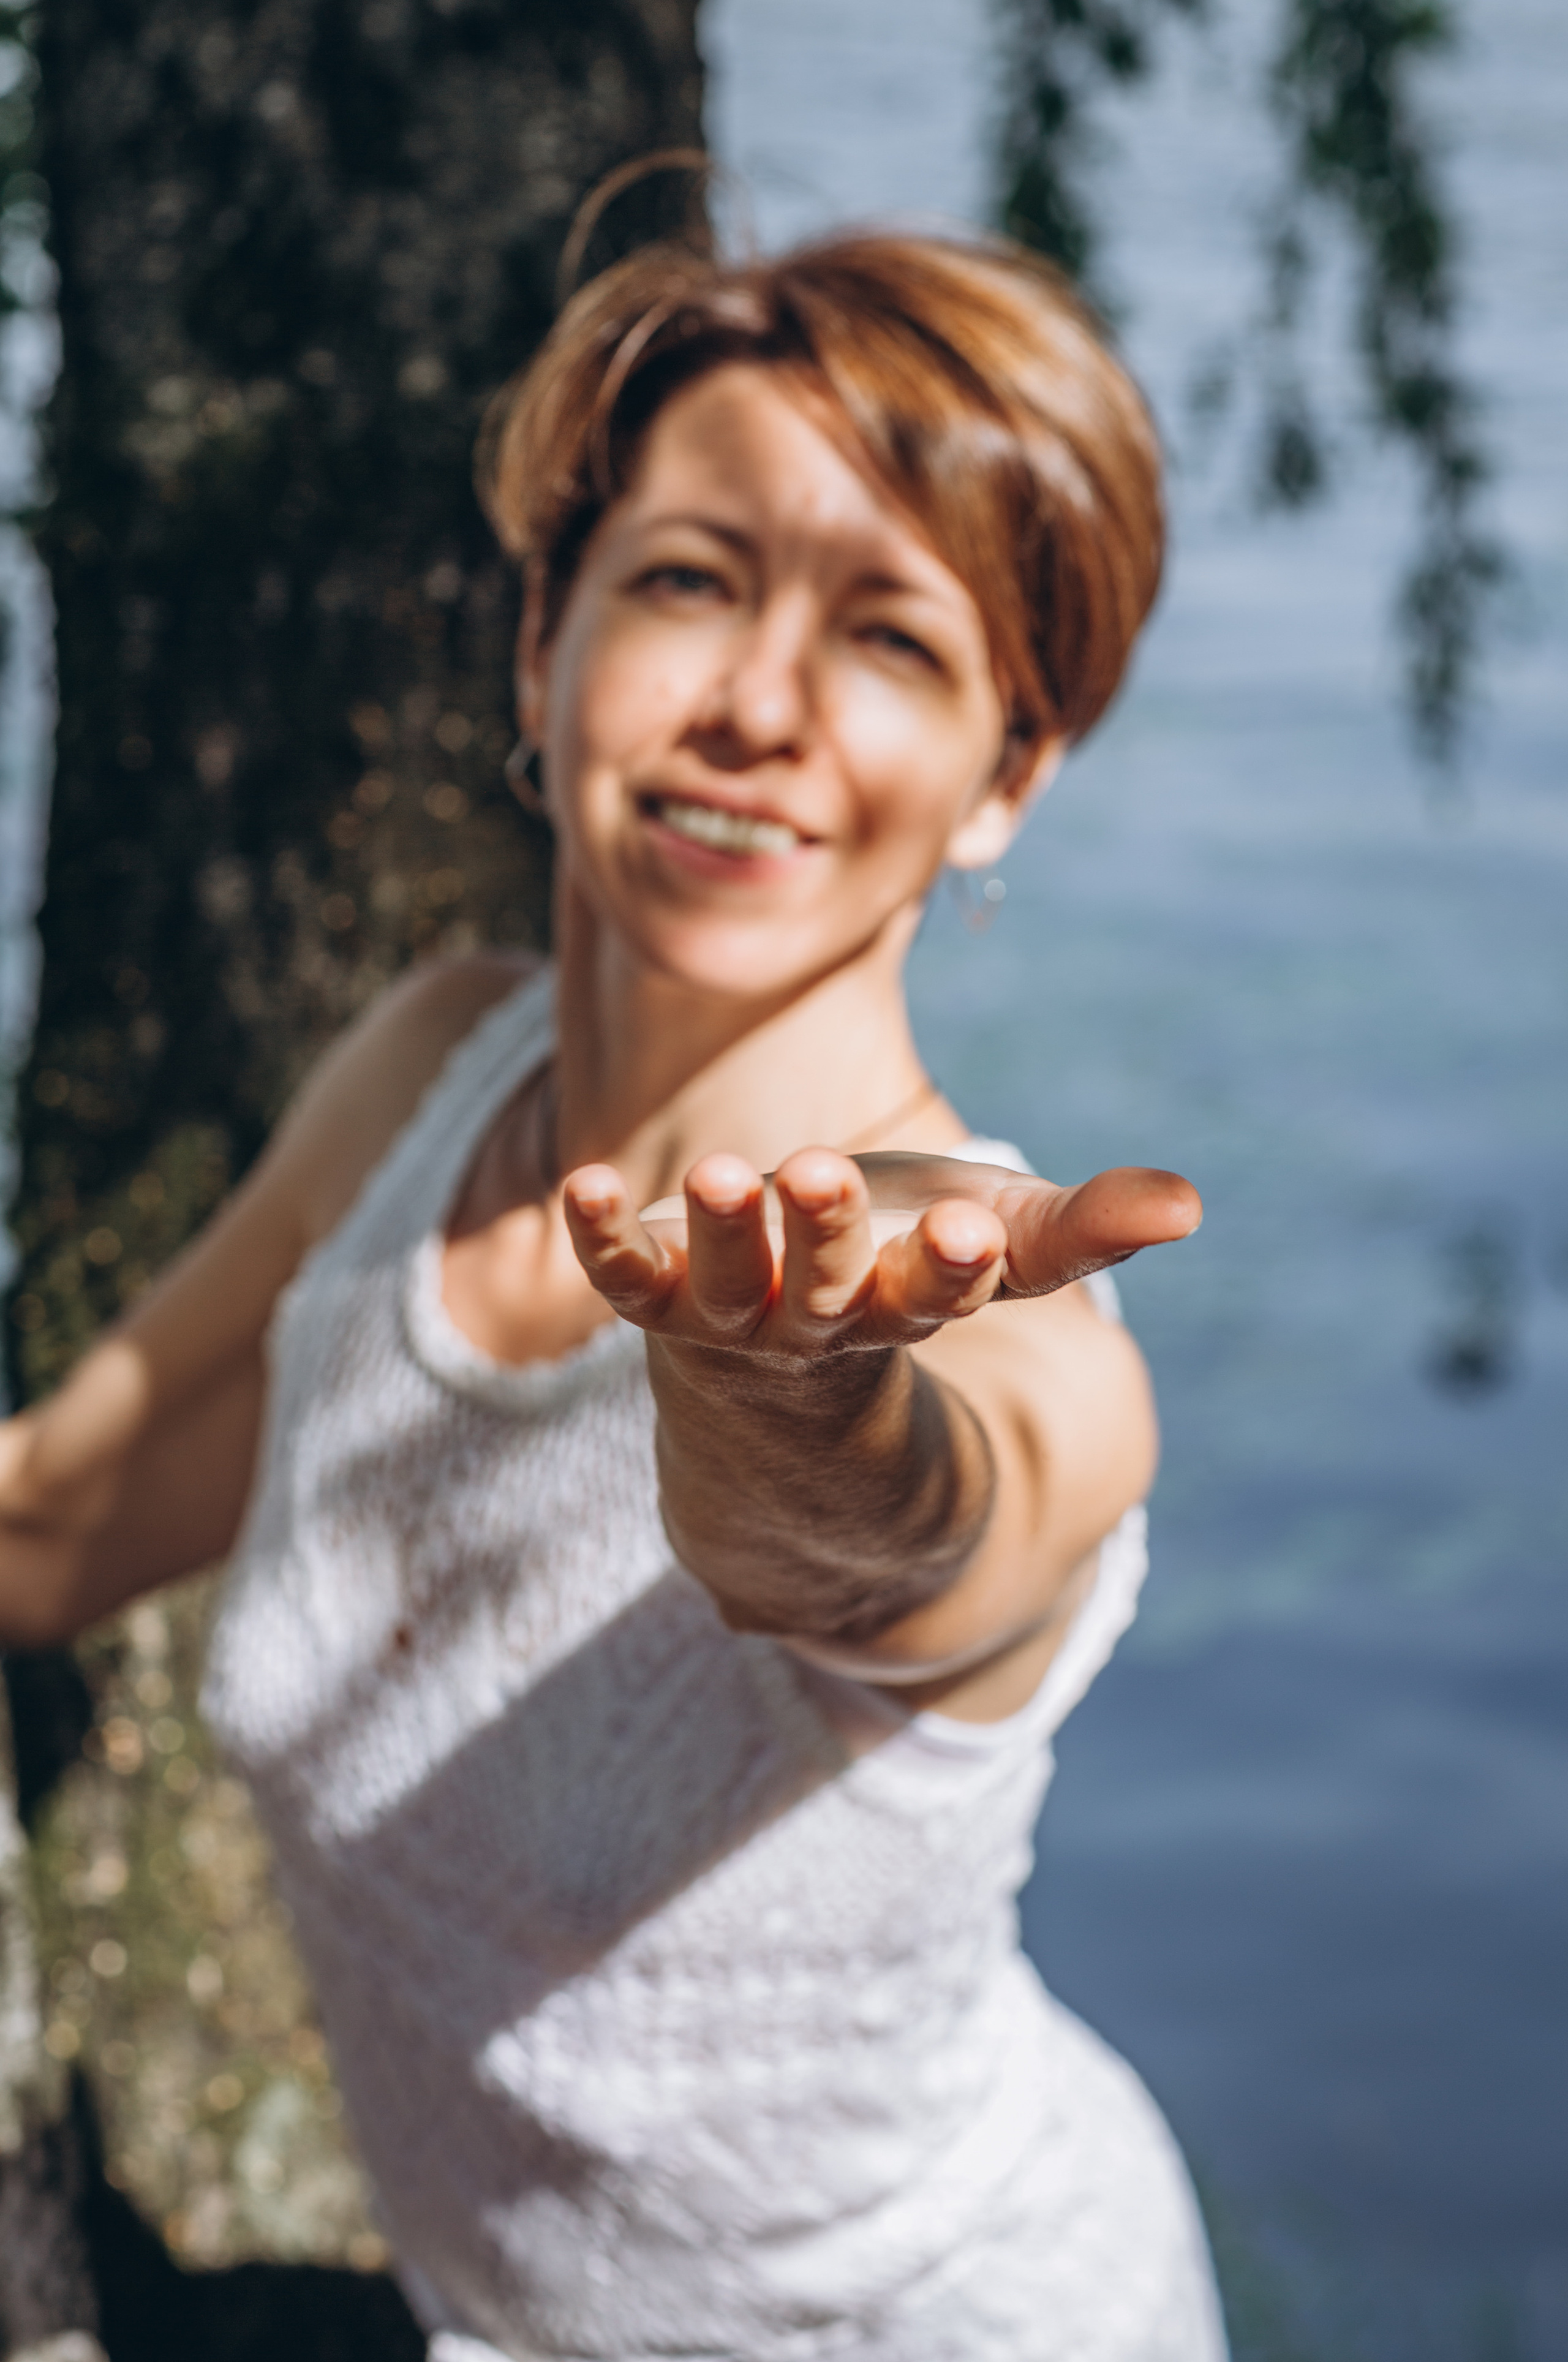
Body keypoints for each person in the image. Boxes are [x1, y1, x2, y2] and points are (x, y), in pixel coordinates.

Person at [0, 225, 1227, 2360]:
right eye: (686, 580)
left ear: (1004, 777)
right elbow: (46, 1528)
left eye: (894, 642)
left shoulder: (1003, 1335)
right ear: (540, 639)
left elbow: (871, 1543)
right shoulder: (428, 1077)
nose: (759, 706)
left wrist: (791, 1411)